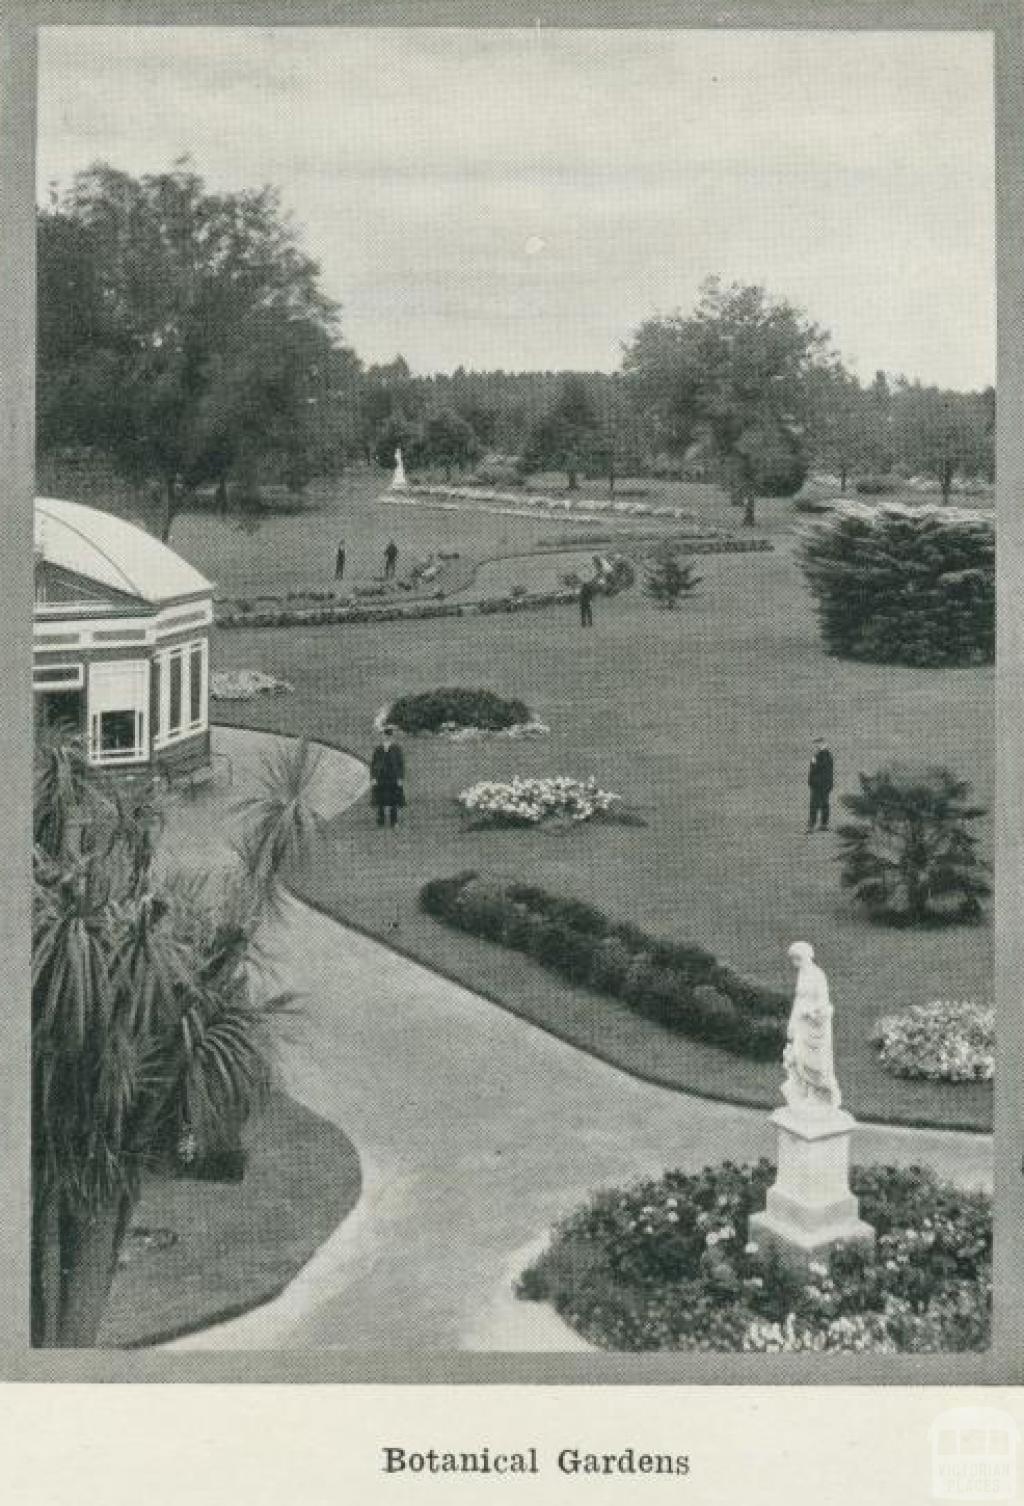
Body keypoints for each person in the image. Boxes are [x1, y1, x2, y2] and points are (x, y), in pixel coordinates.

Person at [782, 941, 841, 1115]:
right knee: (799, 1059)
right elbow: (798, 1000)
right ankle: (808, 1094)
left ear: (807, 956)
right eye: (793, 959)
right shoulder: (802, 973)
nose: (795, 963)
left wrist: (811, 1012)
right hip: (801, 1023)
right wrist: (792, 1023)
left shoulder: (817, 976)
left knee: (815, 1063)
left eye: (797, 958)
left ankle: (826, 1094)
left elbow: (823, 1002)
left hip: (814, 1025)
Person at [370, 724, 405, 828]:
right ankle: (381, 821)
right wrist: (373, 778)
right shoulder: (378, 749)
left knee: (394, 800)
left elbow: (400, 764)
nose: (387, 737)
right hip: (381, 777)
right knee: (380, 799)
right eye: (385, 735)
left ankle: (394, 822)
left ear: (392, 737)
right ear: (383, 736)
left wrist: (400, 778)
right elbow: (373, 764)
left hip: (393, 776)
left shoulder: (396, 748)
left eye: (389, 735)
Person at [807, 736, 834, 832]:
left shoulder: (822, 756)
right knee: (824, 804)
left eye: (818, 743)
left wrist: (814, 762)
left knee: (815, 805)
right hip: (824, 784)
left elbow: (818, 769)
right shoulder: (825, 755)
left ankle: (812, 825)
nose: (817, 745)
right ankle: (823, 824)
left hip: (819, 785)